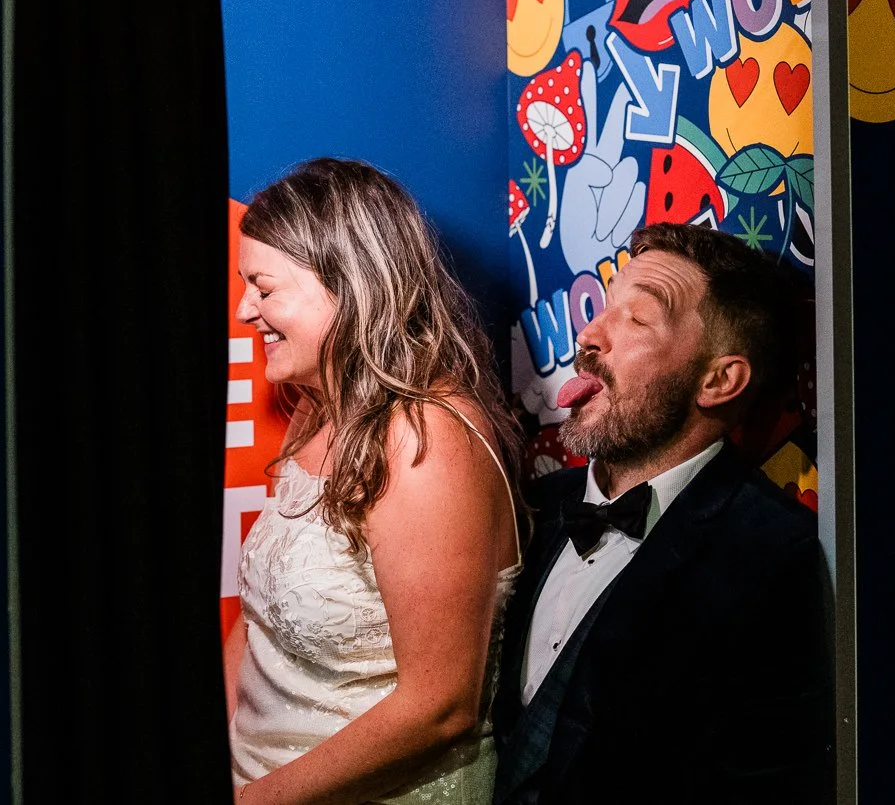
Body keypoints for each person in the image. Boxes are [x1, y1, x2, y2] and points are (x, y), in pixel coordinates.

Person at [493, 221, 832, 805]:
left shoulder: (769, 555)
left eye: (637, 319)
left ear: (719, 380)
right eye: (603, 308)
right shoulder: (531, 505)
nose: (589, 335)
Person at [229, 158, 524, 803]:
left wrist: (253, 801)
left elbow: (439, 707)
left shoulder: (426, 440)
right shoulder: (315, 405)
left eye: (264, 288)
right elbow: (257, 626)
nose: (246, 310)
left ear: (349, 285)